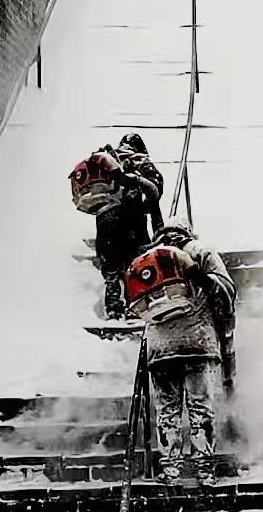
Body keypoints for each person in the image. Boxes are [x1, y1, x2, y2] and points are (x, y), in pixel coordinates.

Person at [124, 220, 236, 486]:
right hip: (197, 344)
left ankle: (171, 470)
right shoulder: (200, 251)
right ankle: (204, 470)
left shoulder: (145, 259)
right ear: (189, 232)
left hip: (160, 349)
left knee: (167, 410)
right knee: (201, 408)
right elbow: (226, 292)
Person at [70, 133, 164, 320]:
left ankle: (113, 309)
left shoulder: (106, 162)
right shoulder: (138, 161)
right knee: (136, 263)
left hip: (105, 221)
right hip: (131, 221)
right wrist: (159, 232)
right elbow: (156, 190)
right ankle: (134, 309)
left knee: (111, 268)